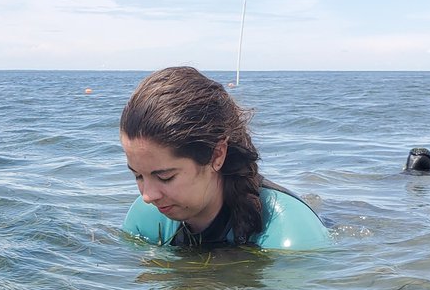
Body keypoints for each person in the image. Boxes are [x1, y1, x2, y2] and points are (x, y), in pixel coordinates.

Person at [119, 66, 332, 251]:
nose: (148, 196)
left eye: (165, 177)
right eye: (138, 176)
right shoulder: (144, 219)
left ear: (217, 154)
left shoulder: (292, 235)